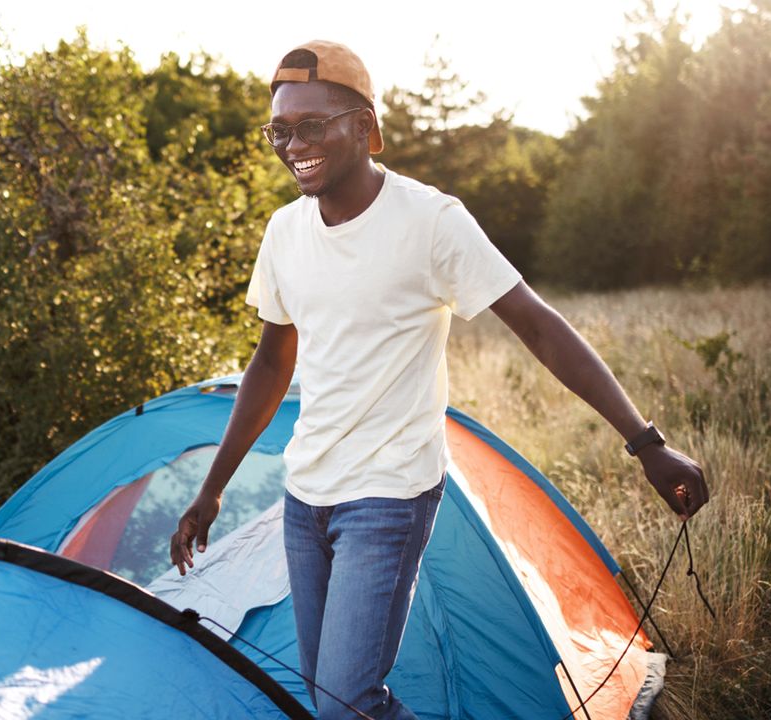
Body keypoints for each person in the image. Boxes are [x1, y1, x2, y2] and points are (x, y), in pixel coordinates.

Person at [168, 40, 709, 720]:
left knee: (344, 705)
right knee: (330, 699)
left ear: (363, 125)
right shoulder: (284, 233)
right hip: (306, 497)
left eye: (311, 126)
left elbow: (538, 326)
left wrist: (646, 441)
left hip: (389, 496)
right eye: (280, 130)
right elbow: (271, 363)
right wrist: (212, 489)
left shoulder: (430, 221)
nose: (292, 145)